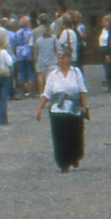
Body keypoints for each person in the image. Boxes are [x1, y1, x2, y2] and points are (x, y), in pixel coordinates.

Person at [36, 44, 88, 172]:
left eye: (63, 58)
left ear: (69, 59)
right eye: (59, 58)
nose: (61, 60)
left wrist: (84, 106)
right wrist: (39, 109)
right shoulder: (53, 75)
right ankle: (63, 162)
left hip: (73, 109)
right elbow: (46, 93)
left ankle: (75, 157)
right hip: (57, 111)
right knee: (60, 137)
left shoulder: (76, 72)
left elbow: (82, 90)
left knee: (75, 135)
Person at [12, 16, 35, 99]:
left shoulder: (17, 33)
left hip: (20, 53)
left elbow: (14, 44)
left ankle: (23, 91)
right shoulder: (31, 32)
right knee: (30, 72)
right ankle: (31, 92)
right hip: (28, 52)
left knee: (21, 73)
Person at [33, 20, 60, 91]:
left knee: (44, 79)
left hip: (42, 64)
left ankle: (42, 92)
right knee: (52, 80)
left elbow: (36, 51)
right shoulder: (54, 39)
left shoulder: (38, 41)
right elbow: (59, 49)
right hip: (53, 63)